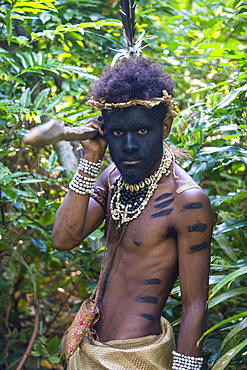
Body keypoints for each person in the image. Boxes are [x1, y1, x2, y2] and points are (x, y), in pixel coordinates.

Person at [52, 57, 214, 370]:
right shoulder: (113, 178)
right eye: (117, 133)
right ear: (103, 131)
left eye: (141, 130)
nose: (128, 146)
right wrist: (91, 158)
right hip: (88, 344)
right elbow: (63, 238)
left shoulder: (186, 201)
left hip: (139, 356)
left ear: (164, 127)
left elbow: (195, 305)